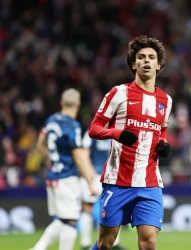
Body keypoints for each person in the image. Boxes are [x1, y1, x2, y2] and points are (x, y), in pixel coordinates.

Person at [88, 35, 173, 250]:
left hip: (150, 182)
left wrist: (163, 144)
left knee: (149, 242)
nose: (146, 61)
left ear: (159, 64)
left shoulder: (166, 100)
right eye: (141, 57)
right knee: (106, 243)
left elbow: (160, 130)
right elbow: (94, 129)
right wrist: (117, 133)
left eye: (151, 57)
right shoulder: (119, 93)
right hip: (118, 181)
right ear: (133, 64)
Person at [29, 88, 96, 250]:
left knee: (62, 219)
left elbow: (40, 144)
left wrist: (49, 162)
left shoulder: (51, 120)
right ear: (78, 105)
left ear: (62, 103)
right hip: (67, 177)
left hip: (53, 176)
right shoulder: (72, 125)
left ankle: (38, 248)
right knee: (71, 220)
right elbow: (78, 155)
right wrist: (89, 180)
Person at [80, 131, 126, 250]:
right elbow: (84, 153)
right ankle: (85, 243)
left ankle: (115, 243)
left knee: (114, 208)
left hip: (111, 176)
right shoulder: (92, 132)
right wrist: (88, 171)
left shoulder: (115, 131)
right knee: (88, 207)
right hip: (94, 174)